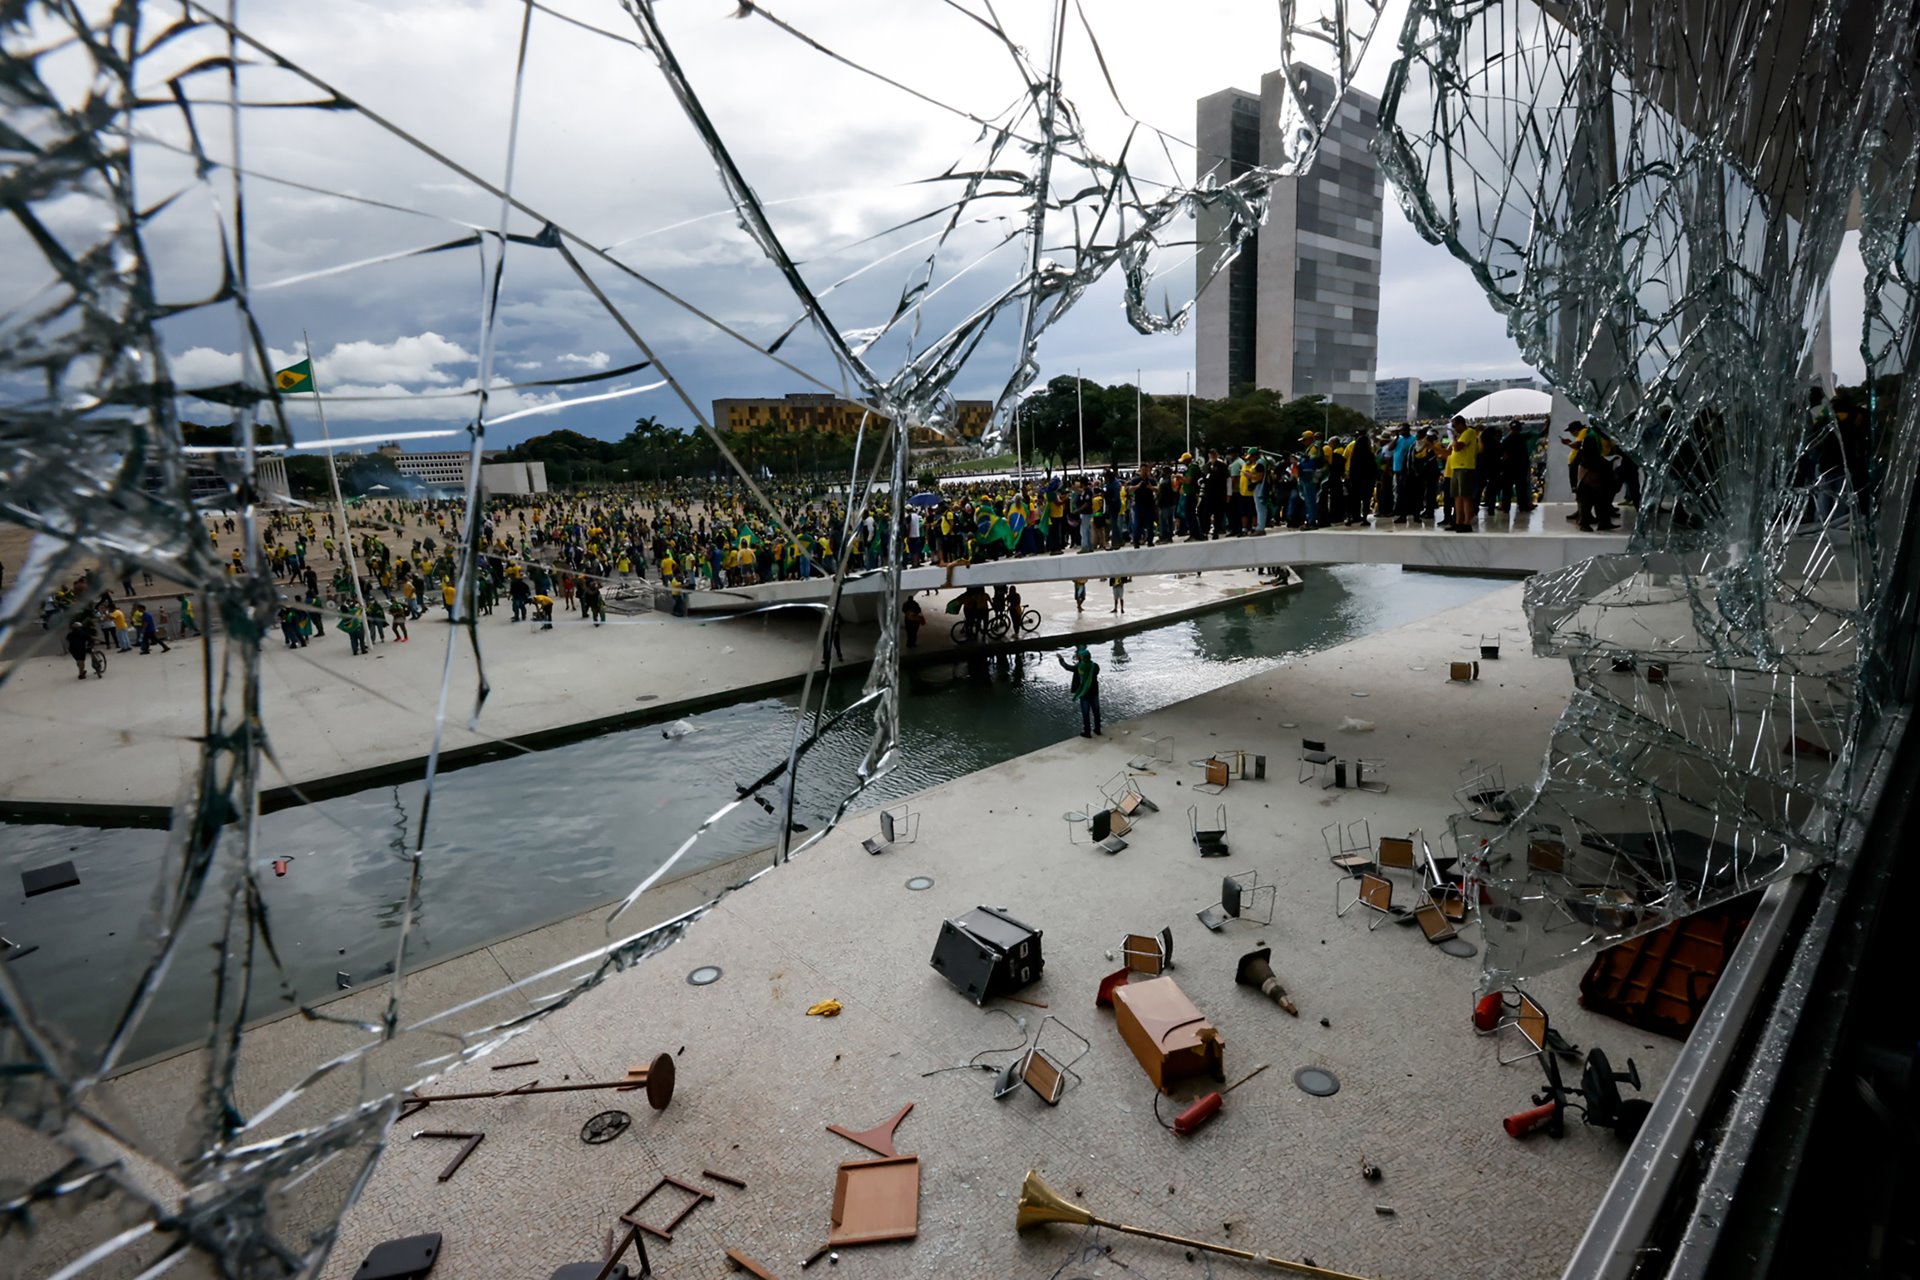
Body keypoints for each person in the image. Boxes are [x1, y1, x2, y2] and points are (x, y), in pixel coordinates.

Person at [1058, 644, 1102, 737]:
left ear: (1081, 658)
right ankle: (1097, 729)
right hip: (1094, 692)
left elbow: (1067, 667)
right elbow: (1096, 672)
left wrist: (1061, 659)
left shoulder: (1079, 667)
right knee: (1096, 711)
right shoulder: (1095, 666)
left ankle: (1087, 732)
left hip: (1084, 693)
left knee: (1085, 713)